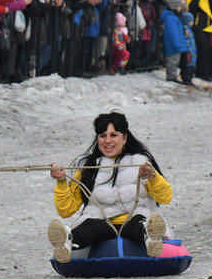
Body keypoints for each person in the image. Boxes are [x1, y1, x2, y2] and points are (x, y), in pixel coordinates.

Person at [47, 112, 173, 263]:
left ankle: (151, 237)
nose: (107, 141)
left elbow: (165, 197)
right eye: (102, 135)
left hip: (134, 220)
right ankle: (66, 242)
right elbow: (66, 210)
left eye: (113, 135)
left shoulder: (141, 162)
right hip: (101, 223)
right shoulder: (87, 167)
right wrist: (61, 181)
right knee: (89, 226)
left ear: (124, 137)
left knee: (138, 224)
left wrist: (152, 176)